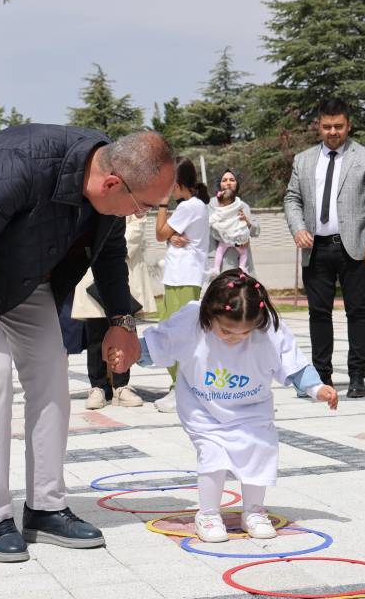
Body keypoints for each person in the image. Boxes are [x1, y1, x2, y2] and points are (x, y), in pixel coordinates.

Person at [0, 125, 175, 562]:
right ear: (112, 184)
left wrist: (122, 320)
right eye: (144, 205)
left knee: (50, 372)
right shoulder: (18, 166)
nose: (142, 215)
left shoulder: (107, 177)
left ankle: (46, 507)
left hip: (23, 278)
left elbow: (109, 253)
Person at [110, 269, 338, 542]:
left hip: (253, 408)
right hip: (203, 409)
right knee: (213, 457)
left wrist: (317, 388)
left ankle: (254, 511)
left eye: (244, 333)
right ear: (208, 315)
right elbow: (158, 344)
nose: (235, 338)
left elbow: (294, 362)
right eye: (226, 331)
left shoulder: (269, 328)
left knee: (259, 452)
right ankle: (207, 514)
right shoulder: (191, 321)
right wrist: (131, 355)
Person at [284, 98, 365, 399]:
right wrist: (298, 228)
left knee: (358, 312)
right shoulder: (303, 160)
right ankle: (321, 378)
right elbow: (292, 199)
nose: (333, 132)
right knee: (318, 314)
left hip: (354, 246)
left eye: (339, 126)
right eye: (327, 126)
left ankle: (357, 376)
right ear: (318, 125)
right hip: (315, 248)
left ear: (348, 125)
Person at [72, 214, 156, 409]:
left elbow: (133, 235)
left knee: (124, 331)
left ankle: (121, 385)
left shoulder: (133, 207)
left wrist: (107, 242)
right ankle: (98, 386)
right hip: (92, 273)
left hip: (122, 276)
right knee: (95, 337)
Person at [153, 157, 211, 413]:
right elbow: (166, 236)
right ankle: (179, 385)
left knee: (178, 334)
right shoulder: (192, 207)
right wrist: (170, 238)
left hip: (184, 278)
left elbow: (158, 232)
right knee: (170, 331)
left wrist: (162, 204)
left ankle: (183, 388)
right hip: (179, 278)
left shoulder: (190, 207)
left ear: (176, 185)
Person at [206, 169, 260, 274]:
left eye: (232, 180)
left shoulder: (243, 206)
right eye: (224, 180)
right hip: (219, 262)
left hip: (241, 264)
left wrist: (247, 224)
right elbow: (213, 232)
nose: (228, 183)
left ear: (237, 183)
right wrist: (235, 238)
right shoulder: (212, 205)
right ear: (220, 184)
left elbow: (255, 231)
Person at [209, 188, 251, 274]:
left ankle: (216, 268)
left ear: (222, 203)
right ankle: (242, 267)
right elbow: (243, 225)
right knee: (243, 253)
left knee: (220, 251)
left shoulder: (221, 211)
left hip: (226, 240)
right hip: (237, 241)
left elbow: (211, 220)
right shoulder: (238, 207)